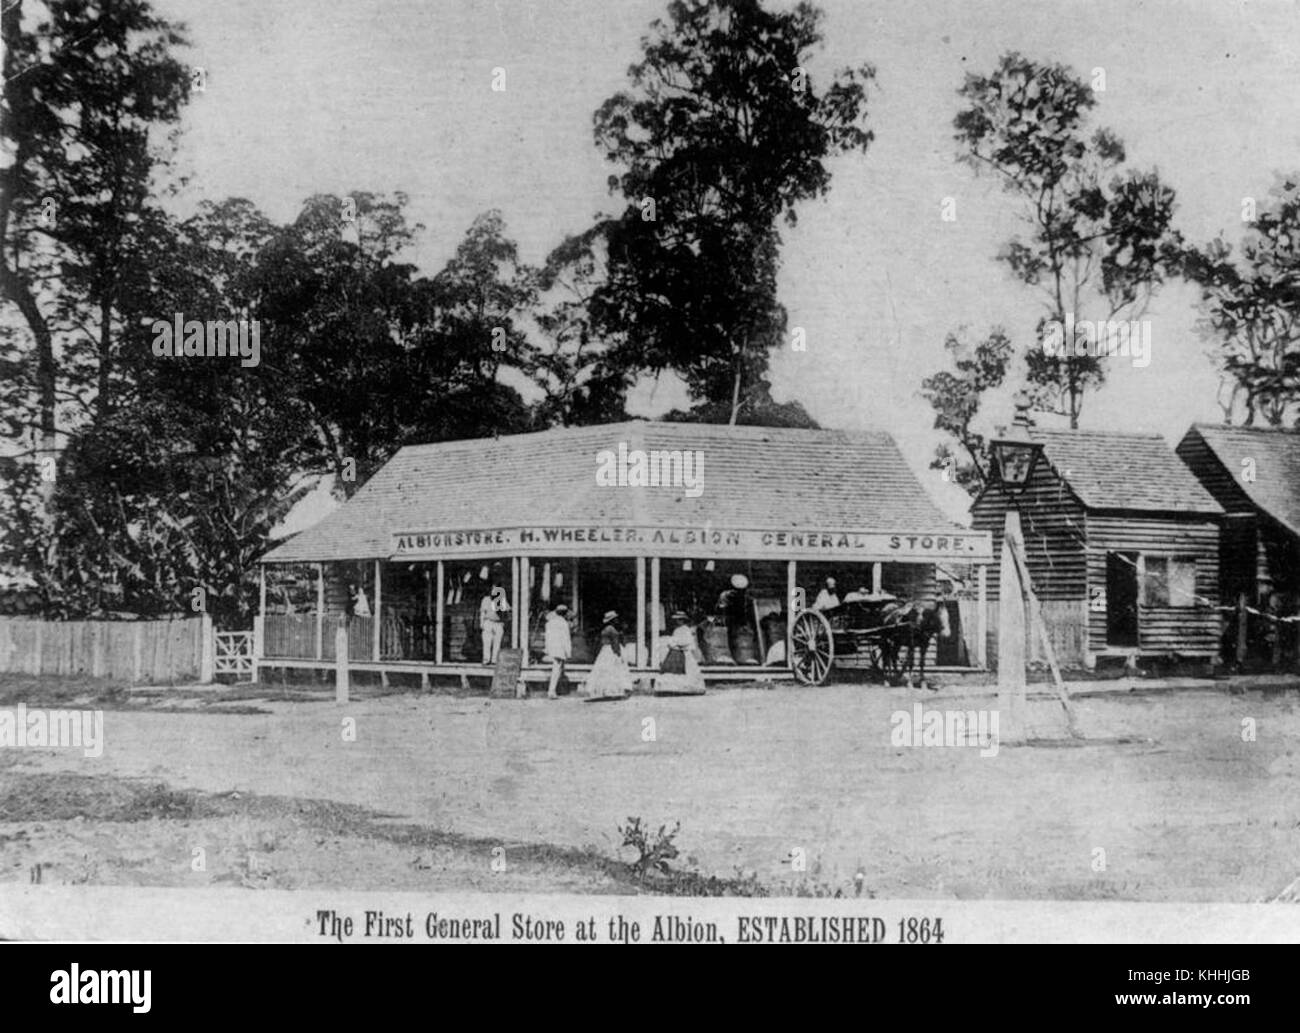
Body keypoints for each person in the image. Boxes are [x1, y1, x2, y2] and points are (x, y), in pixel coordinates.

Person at [584, 610, 632, 701]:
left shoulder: (605, 629)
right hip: (611, 651)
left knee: (604, 671)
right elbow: (615, 643)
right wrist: (618, 654)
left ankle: (604, 691)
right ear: (612, 620)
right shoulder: (612, 630)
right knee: (614, 671)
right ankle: (612, 691)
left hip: (605, 651)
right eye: (615, 619)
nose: (617, 620)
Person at [656, 611, 705, 695]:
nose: (677, 622)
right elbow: (673, 640)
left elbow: (686, 641)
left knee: (688, 669)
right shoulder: (677, 630)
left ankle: (687, 688)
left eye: (679, 620)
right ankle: (670, 688)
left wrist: (676, 644)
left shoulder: (685, 629)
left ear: (683, 620)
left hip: (684, 652)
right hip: (675, 651)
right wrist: (672, 644)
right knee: (670, 668)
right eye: (676, 620)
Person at [544, 604, 572, 699]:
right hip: (560, 648)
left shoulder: (550, 623)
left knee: (558, 669)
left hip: (553, 647)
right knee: (557, 669)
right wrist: (568, 652)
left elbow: (547, 637)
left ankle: (556, 689)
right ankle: (551, 691)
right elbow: (566, 638)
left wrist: (547, 648)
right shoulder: (563, 623)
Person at [479, 584, 510, 665]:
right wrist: (481, 622)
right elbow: (482, 612)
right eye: (492, 589)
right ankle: (486, 660)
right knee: (487, 641)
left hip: (498, 623)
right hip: (488, 622)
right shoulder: (486, 599)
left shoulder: (501, 599)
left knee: (497, 642)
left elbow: (508, 610)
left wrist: (504, 622)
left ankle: (494, 660)